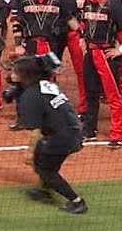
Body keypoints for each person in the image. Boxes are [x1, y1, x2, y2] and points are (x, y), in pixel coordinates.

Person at [12, 55, 87, 214]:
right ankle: (44, 190)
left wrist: (29, 152)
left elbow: (35, 131)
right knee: (42, 161)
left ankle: (76, 201)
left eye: (15, 72)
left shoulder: (30, 97)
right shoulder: (45, 85)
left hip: (63, 137)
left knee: (46, 170)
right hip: (72, 129)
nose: (11, 75)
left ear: (25, 75)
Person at [78, 0, 122, 147]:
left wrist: (121, 49)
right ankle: (89, 130)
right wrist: (82, 38)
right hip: (90, 54)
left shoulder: (112, 3)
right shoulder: (88, 2)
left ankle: (117, 133)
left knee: (113, 95)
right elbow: (83, 23)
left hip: (106, 54)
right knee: (90, 93)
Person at [50, 0, 86, 115]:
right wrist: (69, 16)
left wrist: (83, 2)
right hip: (54, 30)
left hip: (72, 31)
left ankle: (84, 107)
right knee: (51, 68)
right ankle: (50, 105)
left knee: (82, 68)